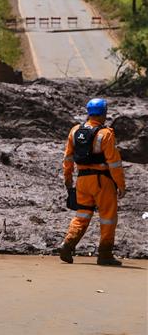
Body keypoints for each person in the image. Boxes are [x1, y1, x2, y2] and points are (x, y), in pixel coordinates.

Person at [60, 98, 127, 266]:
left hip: (82, 180)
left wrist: (68, 180)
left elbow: (67, 159)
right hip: (102, 181)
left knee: (82, 214)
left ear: (88, 112)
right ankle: (104, 254)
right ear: (104, 113)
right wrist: (121, 185)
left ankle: (67, 245)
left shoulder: (75, 131)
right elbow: (114, 163)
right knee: (108, 217)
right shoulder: (106, 134)